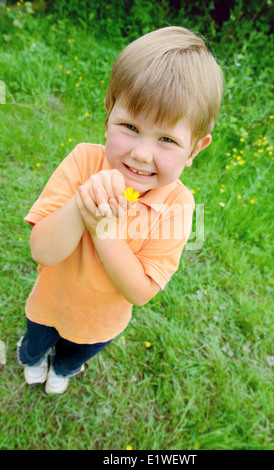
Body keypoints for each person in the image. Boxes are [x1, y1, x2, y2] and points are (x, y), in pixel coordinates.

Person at [17, 26, 223, 394]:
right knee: (36, 343)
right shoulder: (84, 162)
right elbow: (42, 250)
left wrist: (104, 231)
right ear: (108, 116)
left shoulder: (178, 205)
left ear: (194, 149)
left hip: (101, 323)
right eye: (130, 126)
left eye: (167, 140)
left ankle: (63, 370)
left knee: (74, 355)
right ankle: (32, 360)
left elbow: (140, 291)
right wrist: (84, 205)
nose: (141, 153)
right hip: (49, 303)